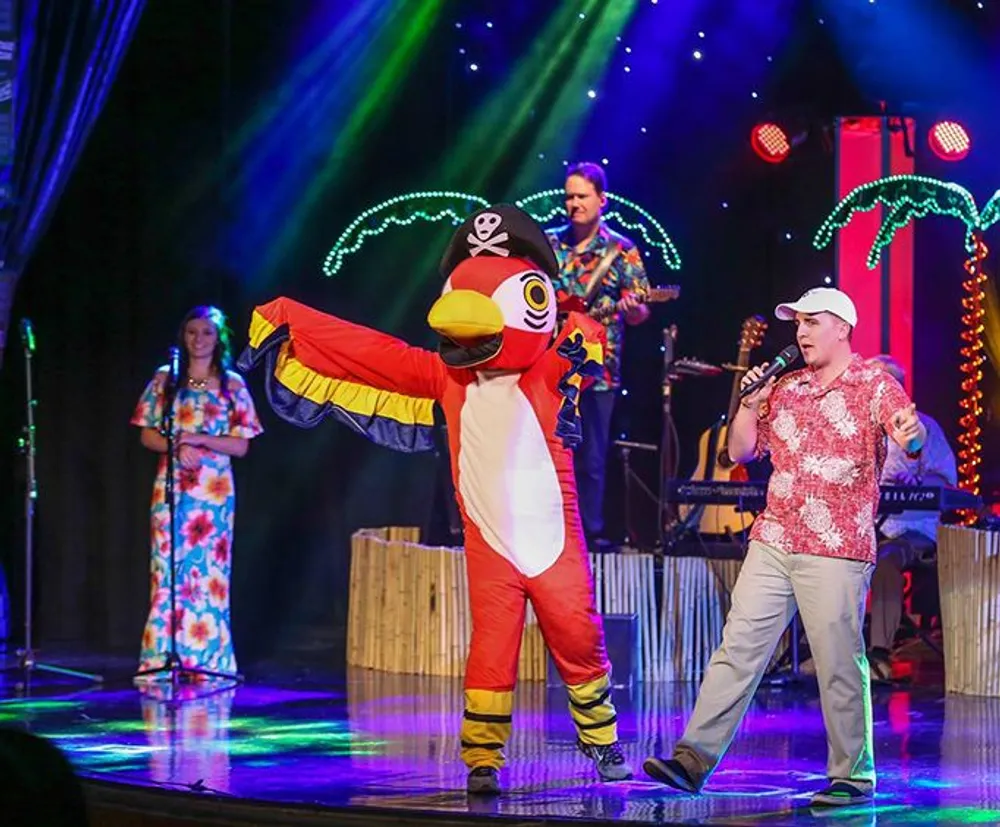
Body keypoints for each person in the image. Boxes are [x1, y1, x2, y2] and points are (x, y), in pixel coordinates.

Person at [239, 205, 632, 795]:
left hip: (554, 544)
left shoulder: (549, 370)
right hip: (491, 546)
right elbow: (370, 353)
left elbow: (585, 335)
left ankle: (601, 742)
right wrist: (295, 323)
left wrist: (575, 327)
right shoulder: (446, 379)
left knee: (579, 638)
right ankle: (482, 758)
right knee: (490, 649)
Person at [643, 287, 926, 807]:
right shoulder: (787, 386)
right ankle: (693, 758)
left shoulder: (873, 384)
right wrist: (750, 401)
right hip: (775, 537)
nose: (801, 331)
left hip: (836, 543)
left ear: (842, 327)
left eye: (812, 322)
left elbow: (908, 440)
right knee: (738, 649)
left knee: (839, 659)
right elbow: (739, 451)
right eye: (797, 322)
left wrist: (911, 438)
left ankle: (853, 776)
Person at [131, 305, 263, 680]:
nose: (198, 340)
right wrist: (176, 444)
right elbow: (146, 433)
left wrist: (200, 439)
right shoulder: (165, 379)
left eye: (206, 332)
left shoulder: (232, 384)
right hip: (172, 490)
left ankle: (208, 660)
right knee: (168, 572)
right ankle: (162, 656)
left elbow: (242, 445)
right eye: (192, 332)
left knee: (209, 574)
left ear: (218, 338)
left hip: (214, 496)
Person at [546, 162, 651, 550]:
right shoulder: (548, 244)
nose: (574, 204)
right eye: (569, 196)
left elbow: (642, 313)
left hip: (598, 370)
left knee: (591, 458)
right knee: (550, 450)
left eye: (582, 196)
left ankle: (587, 533)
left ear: (601, 200)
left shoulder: (621, 250)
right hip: (548, 365)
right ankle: (546, 529)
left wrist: (633, 305)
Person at [867, 354, 956, 682]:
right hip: (865, 528)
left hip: (911, 532)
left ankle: (879, 655)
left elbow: (945, 484)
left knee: (886, 561)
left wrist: (917, 482)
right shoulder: (859, 433)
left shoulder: (926, 428)